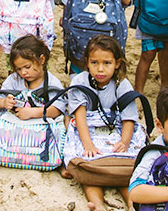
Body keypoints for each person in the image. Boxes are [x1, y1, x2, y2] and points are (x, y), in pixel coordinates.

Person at [63, 35, 149, 211]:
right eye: (94, 63)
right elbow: (80, 116)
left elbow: (129, 118)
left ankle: (133, 203)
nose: (100, 69)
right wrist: (87, 144)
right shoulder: (79, 81)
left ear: (117, 63)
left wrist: (124, 142)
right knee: (89, 168)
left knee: (125, 169)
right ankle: (97, 205)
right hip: (88, 130)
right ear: (87, 62)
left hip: (115, 131)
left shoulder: (122, 84)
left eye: (107, 63)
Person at [0, 35, 66, 123]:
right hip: (16, 124)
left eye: (27, 67)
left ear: (41, 60)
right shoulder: (14, 79)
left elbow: (58, 109)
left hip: (41, 126)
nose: (23, 72)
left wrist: (33, 112)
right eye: (18, 69)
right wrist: (4, 102)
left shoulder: (52, 83)